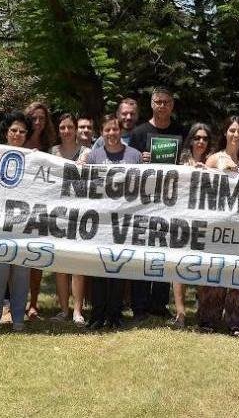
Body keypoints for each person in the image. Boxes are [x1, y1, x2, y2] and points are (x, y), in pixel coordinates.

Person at [129, 88, 187, 320]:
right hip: (144, 201)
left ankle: (159, 303)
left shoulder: (180, 131)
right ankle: (139, 305)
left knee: (164, 250)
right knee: (142, 251)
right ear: (152, 104)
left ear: (172, 105)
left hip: (171, 200)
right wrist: (140, 160)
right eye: (158, 102)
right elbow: (130, 166)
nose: (162, 106)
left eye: (166, 102)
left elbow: (186, 163)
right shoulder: (139, 132)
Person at [82, 115, 142, 329]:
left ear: (120, 131)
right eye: (107, 130)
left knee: (119, 268)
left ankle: (115, 314)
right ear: (101, 132)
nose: (111, 134)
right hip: (100, 222)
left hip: (125, 222)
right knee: (98, 270)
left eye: (114, 129)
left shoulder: (134, 156)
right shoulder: (93, 156)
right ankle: (97, 314)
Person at [0, 112, 34, 335]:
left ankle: (18, 319)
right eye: (14, 130)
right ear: (6, 133)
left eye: (22, 131)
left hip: (23, 227)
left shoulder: (34, 159)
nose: (17, 134)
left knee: (21, 276)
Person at [202, 116, 239, 336]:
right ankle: (208, 319)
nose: (235, 135)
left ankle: (235, 321)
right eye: (232, 130)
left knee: (238, 271)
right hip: (218, 223)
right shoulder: (214, 158)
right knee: (215, 269)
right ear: (225, 133)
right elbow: (204, 185)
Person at [49, 112, 90, 325]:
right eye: (62, 127)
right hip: (58, 216)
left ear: (76, 129)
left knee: (78, 266)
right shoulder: (52, 152)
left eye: (69, 127)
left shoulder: (87, 153)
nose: (66, 131)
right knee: (60, 266)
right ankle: (64, 310)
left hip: (80, 216)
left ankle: (77, 311)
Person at [171, 123, 213, 328]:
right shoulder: (180, 160)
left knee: (203, 266)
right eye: (197, 138)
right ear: (191, 139)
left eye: (205, 138)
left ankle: (202, 311)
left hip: (207, 221)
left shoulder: (213, 161)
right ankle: (180, 313)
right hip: (182, 218)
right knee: (180, 264)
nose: (201, 142)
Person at [24, 102, 57, 321]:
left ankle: (33, 303)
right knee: (16, 258)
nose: (38, 122)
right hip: (18, 208)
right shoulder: (18, 140)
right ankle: (13, 301)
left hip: (42, 209)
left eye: (42, 119)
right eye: (34, 118)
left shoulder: (51, 147)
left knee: (37, 259)